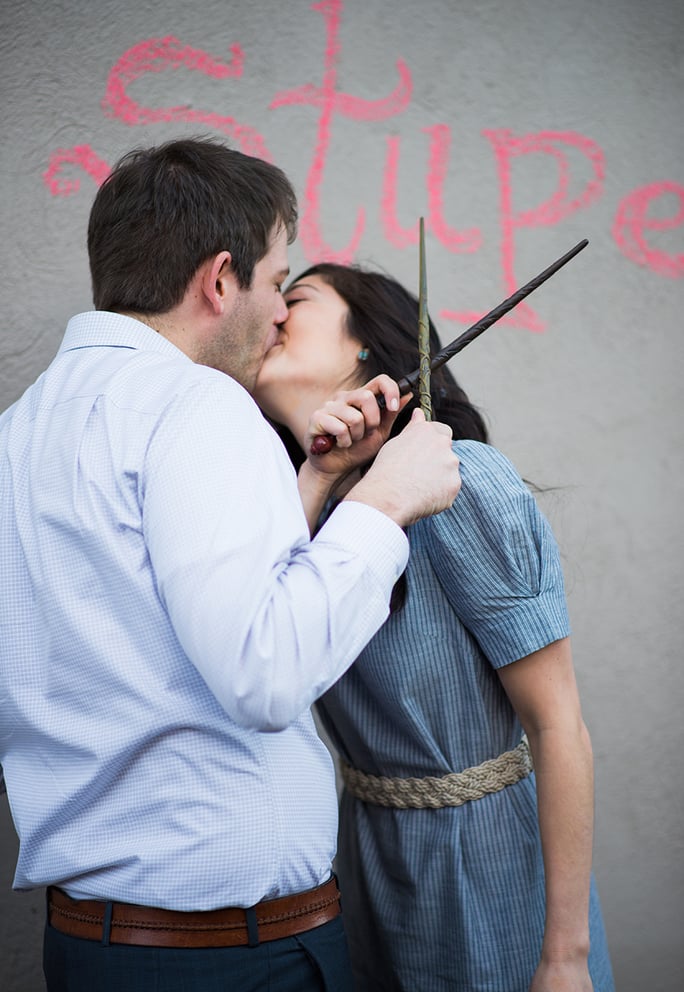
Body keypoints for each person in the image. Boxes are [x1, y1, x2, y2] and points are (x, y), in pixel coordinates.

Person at [0, 138, 461, 992]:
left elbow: (160, 606)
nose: (281, 311)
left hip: (92, 946)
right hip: (229, 958)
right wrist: (382, 502)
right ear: (220, 280)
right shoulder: (196, 403)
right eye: (276, 280)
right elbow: (263, 671)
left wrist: (318, 479)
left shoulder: (20, 431)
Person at [254, 263, 616, 992]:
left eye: (295, 299)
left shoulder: (459, 480)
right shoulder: (289, 506)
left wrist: (565, 957)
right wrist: (318, 477)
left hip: (489, 872)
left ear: (365, 346)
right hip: (368, 875)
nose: (270, 314)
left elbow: (559, 725)